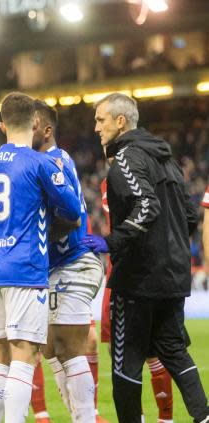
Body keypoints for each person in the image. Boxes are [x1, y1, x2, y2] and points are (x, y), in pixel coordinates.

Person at [83, 92, 209, 423]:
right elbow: (190, 215)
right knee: (174, 351)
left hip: (138, 281)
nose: (96, 127)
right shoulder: (168, 160)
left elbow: (147, 206)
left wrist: (113, 242)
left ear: (120, 121)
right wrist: (173, 250)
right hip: (174, 277)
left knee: (126, 361)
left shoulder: (125, 160)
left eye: (100, 119)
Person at [0, 92, 81, 423]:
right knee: (25, 354)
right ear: (36, 122)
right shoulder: (41, 163)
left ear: (2, 124)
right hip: (25, 268)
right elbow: (73, 210)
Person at [31, 100, 104, 423]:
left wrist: (31, 232)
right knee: (49, 348)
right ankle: (80, 414)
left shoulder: (55, 161)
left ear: (46, 131)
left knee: (70, 350)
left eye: (29, 125)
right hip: (53, 268)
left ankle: (86, 417)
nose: (22, 130)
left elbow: (72, 217)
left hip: (71, 263)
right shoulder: (45, 161)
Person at [99, 177, 174, 423]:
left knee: (152, 349)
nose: (99, 135)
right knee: (115, 348)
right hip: (118, 270)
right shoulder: (106, 182)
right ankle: (138, 417)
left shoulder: (138, 178)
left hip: (141, 270)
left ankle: (165, 418)